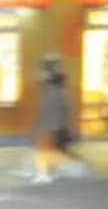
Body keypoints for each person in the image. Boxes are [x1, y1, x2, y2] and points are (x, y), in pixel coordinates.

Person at [27, 54, 88, 183]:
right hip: (56, 127)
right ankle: (49, 171)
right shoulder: (59, 92)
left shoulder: (54, 92)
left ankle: (48, 172)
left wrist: (51, 129)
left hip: (53, 128)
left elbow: (51, 113)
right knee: (52, 150)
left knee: (47, 151)